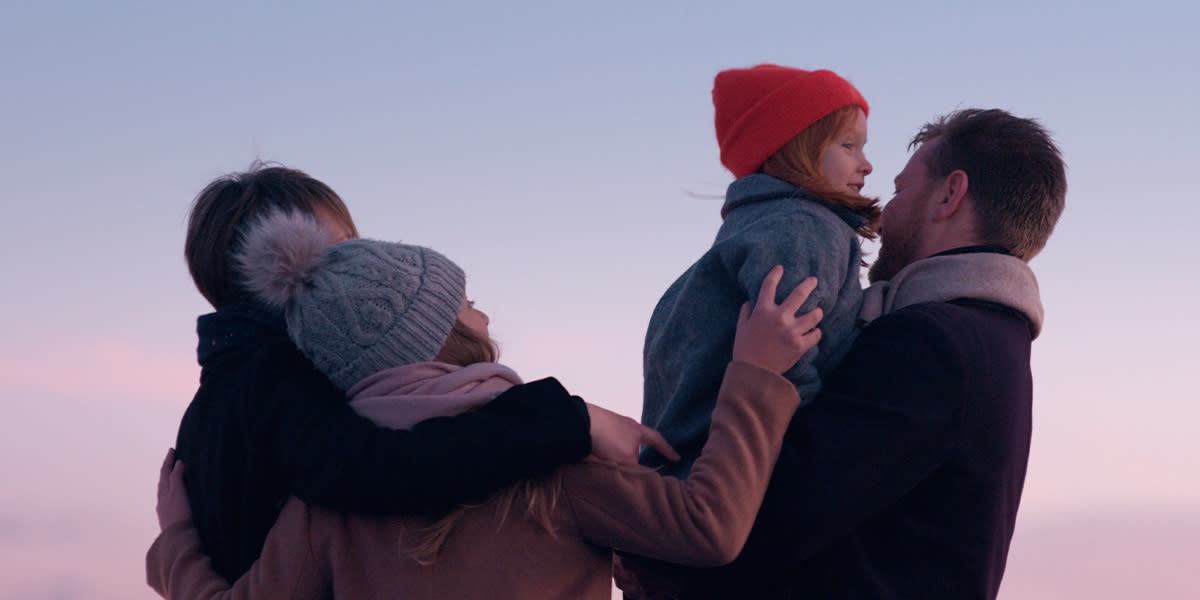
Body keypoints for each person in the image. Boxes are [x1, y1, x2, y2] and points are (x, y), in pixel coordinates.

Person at [148, 210, 825, 599]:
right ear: (440, 333)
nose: (482, 308)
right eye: (464, 301)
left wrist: (175, 539)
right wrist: (752, 374)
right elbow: (708, 527)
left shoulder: (326, 504)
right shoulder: (556, 470)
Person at [619, 108, 1066, 599]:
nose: (882, 208)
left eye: (898, 190)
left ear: (950, 194)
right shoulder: (988, 338)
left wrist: (641, 542)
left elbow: (773, 518)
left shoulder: (933, 343)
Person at [172, 163, 672, 582]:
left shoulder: (220, 397)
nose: (362, 260)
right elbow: (389, 470)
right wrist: (571, 421)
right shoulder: (276, 381)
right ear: (278, 265)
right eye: (342, 246)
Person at [641, 64, 878, 478]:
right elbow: (792, 358)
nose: (867, 165)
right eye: (849, 146)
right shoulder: (805, 229)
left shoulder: (752, 230)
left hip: (684, 474)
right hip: (747, 477)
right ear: (796, 148)